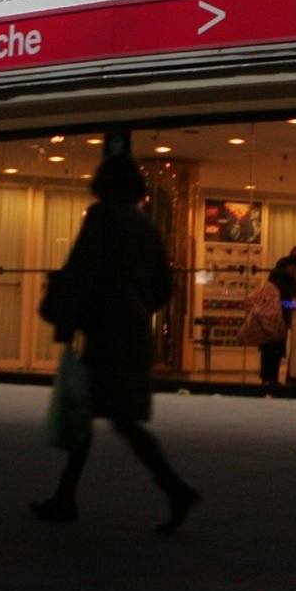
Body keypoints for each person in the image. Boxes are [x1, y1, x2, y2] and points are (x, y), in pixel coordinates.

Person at [31, 155, 201, 531]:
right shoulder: (148, 226)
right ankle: (69, 494)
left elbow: (81, 268)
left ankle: (172, 487)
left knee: (99, 414)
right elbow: (162, 287)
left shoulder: (102, 217)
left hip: (105, 330)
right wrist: (137, 307)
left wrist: (65, 311)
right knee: (111, 415)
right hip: (134, 330)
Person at [258, 246, 296, 386]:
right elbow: (290, 292)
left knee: (271, 349)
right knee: (274, 349)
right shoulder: (282, 276)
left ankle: (269, 378)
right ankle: (271, 379)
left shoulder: (277, 273)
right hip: (277, 316)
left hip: (272, 316)